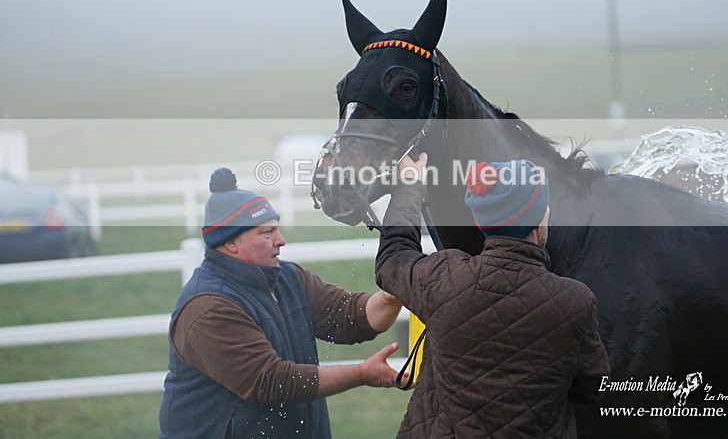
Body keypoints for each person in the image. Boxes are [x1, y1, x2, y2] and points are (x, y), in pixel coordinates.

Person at [376, 154, 610, 438]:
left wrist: (409, 186)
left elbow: (392, 257)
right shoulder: (575, 301)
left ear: (480, 221)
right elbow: (594, 387)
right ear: (538, 222)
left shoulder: (441, 278)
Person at [159, 167, 404, 438]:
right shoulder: (208, 306)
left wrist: (392, 297)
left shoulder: (287, 277)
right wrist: (361, 374)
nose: (281, 241)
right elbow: (271, 381)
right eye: (267, 233)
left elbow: (347, 315)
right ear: (231, 243)